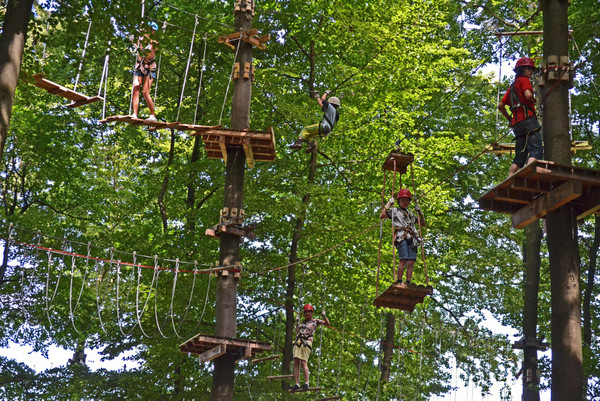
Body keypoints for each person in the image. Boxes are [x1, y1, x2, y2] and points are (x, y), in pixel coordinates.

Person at [497, 57, 542, 176]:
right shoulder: (524, 80)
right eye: (528, 69)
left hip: (517, 124)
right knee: (536, 149)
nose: (531, 72)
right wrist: (534, 99)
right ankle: (529, 173)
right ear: (521, 69)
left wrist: (509, 119)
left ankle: (510, 177)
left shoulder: (512, 87)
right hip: (528, 120)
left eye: (531, 69)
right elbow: (528, 95)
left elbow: (501, 105)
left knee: (520, 154)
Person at [379, 189, 426, 287]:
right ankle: (399, 281)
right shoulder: (395, 211)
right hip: (401, 236)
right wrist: (387, 206)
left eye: (407, 200)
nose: (405, 202)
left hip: (412, 237)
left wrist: (420, 213)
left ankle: (408, 283)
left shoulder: (411, 214)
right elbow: (382, 216)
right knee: (404, 259)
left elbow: (423, 224)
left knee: (412, 261)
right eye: (403, 200)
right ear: (399, 201)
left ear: (409, 202)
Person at [291, 304, 330, 391]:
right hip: (298, 341)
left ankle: (306, 382)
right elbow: (297, 332)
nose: (308, 313)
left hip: (306, 342)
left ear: (312, 313)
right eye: (306, 312)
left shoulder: (315, 321)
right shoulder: (302, 323)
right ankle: (297, 383)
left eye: (309, 312)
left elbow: (327, 324)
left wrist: (324, 316)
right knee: (296, 363)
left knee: (304, 362)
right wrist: (297, 323)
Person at [131, 21, 159, 121]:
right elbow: (133, 41)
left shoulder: (154, 44)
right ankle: (134, 114)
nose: (150, 32)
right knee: (136, 87)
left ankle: (153, 115)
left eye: (152, 31)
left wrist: (144, 35)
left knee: (145, 92)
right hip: (140, 66)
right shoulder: (140, 42)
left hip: (150, 68)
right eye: (149, 30)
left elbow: (152, 50)